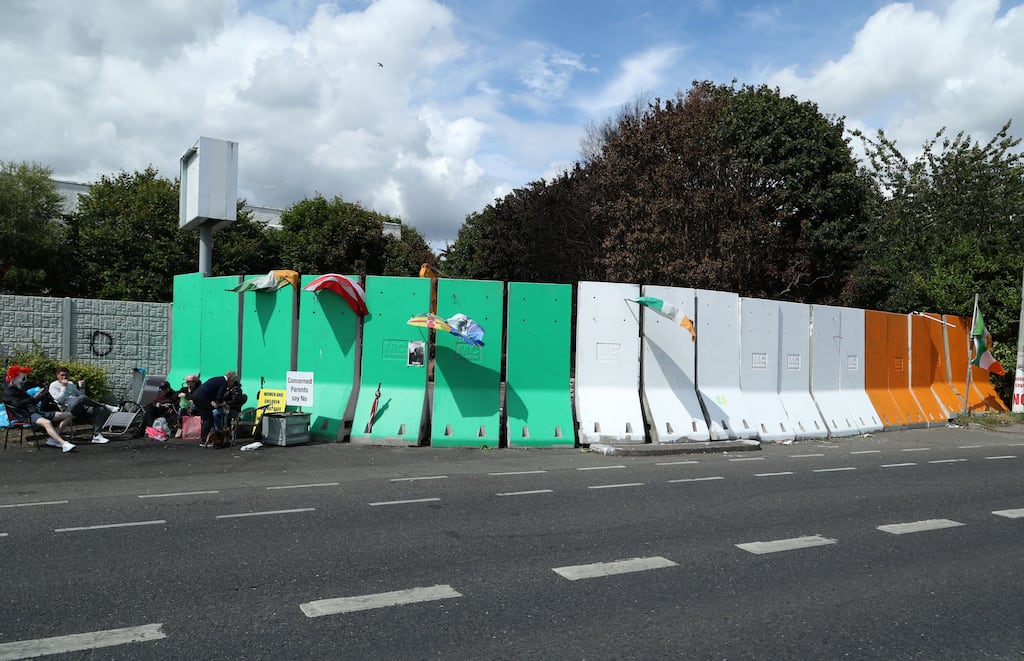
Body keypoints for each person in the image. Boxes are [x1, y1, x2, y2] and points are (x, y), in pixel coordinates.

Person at [3, 365, 76, 452]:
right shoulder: (9, 392)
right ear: (13, 379)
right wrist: (35, 398)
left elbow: (30, 400)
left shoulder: (19, 390)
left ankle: (53, 439)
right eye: (22, 379)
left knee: (69, 415)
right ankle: (63, 444)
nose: (24, 382)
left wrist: (39, 395)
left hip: (35, 412)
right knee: (47, 422)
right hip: (26, 415)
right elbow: (18, 404)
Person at [48, 368, 114, 444]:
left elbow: (81, 396)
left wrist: (82, 388)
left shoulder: (71, 384)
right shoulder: (53, 385)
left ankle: (97, 436)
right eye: (62, 375)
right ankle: (107, 406)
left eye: (66, 375)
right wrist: (64, 387)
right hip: (67, 409)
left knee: (99, 409)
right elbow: (59, 400)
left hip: (80, 408)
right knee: (82, 399)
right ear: (57, 376)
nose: (64, 377)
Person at [189, 371, 238, 443]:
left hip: (196, 396)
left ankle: (206, 438)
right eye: (233, 381)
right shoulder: (224, 383)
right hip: (202, 398)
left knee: (206, 418)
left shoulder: (218, 379)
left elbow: (212, 391)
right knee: (209, 419)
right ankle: (204, 440)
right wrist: (223, 404)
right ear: (231, 379)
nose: (232, 383)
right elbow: (219, 397)